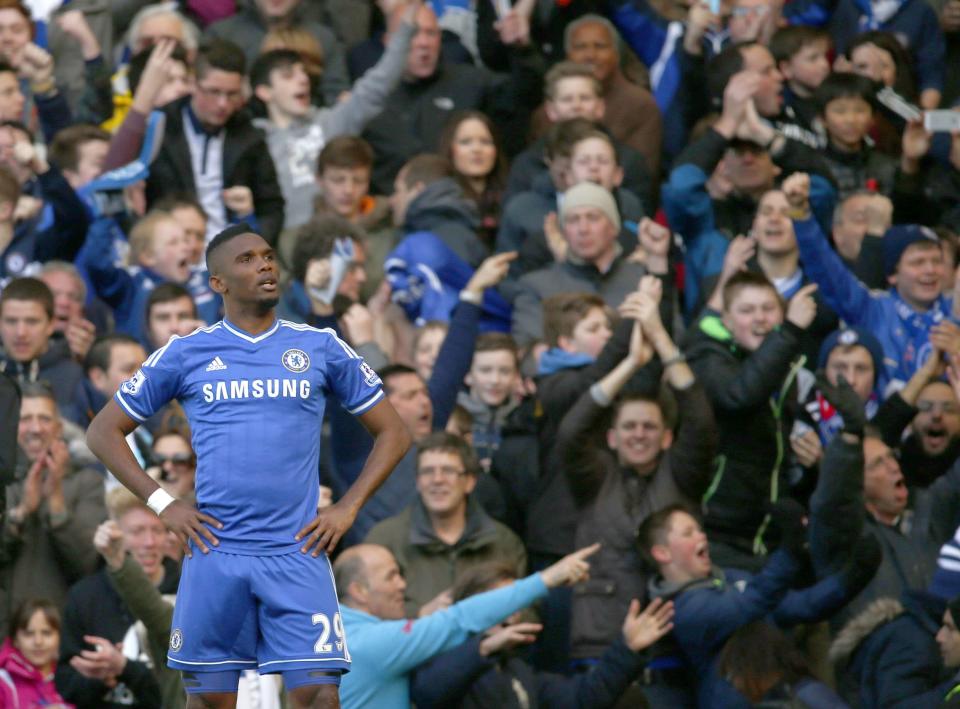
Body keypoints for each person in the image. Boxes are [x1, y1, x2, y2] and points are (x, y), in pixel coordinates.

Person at [85, 223, 411, 707]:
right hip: (218, 550)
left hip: (296, 549)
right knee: (212, 700)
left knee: (320, 694)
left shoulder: (320, 346)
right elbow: (101, 432)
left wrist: (347, 507)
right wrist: (165, 504)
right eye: (246, 260)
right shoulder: (185, 352)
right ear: (217, 283)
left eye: (268, 256)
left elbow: (395, 432)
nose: (264, 265)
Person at [333, 541, 601, 708]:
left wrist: (419, 623)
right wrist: (545, 580)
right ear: (360, 591)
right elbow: (459, 619)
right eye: (391, 577)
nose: (402, 585)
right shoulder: (373, 644)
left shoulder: (340, 636)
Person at [409, 563, 677, 708]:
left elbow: (582, 698)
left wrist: (627, 649)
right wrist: (483, 648)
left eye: (515, 606)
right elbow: (427, 693)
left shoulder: (518, 671)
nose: (511, 614)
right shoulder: (442, 661)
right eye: (500, 603)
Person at [365, 431, 527, 617]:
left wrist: (507, 618)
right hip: (418, 645)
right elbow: (366, 616)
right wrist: (420, 617)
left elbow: (529, 607)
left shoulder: (504, 541)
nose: (437, 480)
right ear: (418, 482)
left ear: (469, 482)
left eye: (448, 471)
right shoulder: (384, 540)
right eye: (427, 471)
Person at [144, 39, 285, 246]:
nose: (223, 104)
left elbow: (272, 208)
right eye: (214, 92)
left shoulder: (249, 135)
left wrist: (253, 227)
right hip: (171, 249)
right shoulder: (161, 128)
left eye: (231, 94)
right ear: (192, 83)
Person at [2, 381, 106, 629]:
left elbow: (86, 562)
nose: (35, 429)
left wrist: (56, 500)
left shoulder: (87, 482)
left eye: (44, 419)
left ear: (59, 428)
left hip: (60, 629)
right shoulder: (3, 483)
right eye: (25, 419)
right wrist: (21, 512)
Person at [0, 277, 83, 410]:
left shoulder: (75, 379)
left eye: (32, 321)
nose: (21, 333)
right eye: (11, 321)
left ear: (51, 324)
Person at [0, 598, 72, 709]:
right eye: (28, 634)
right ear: (15, 640)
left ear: (60, 637)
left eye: (47, 633)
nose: (38, 642)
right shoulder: (4, 681)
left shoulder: (72, 677)